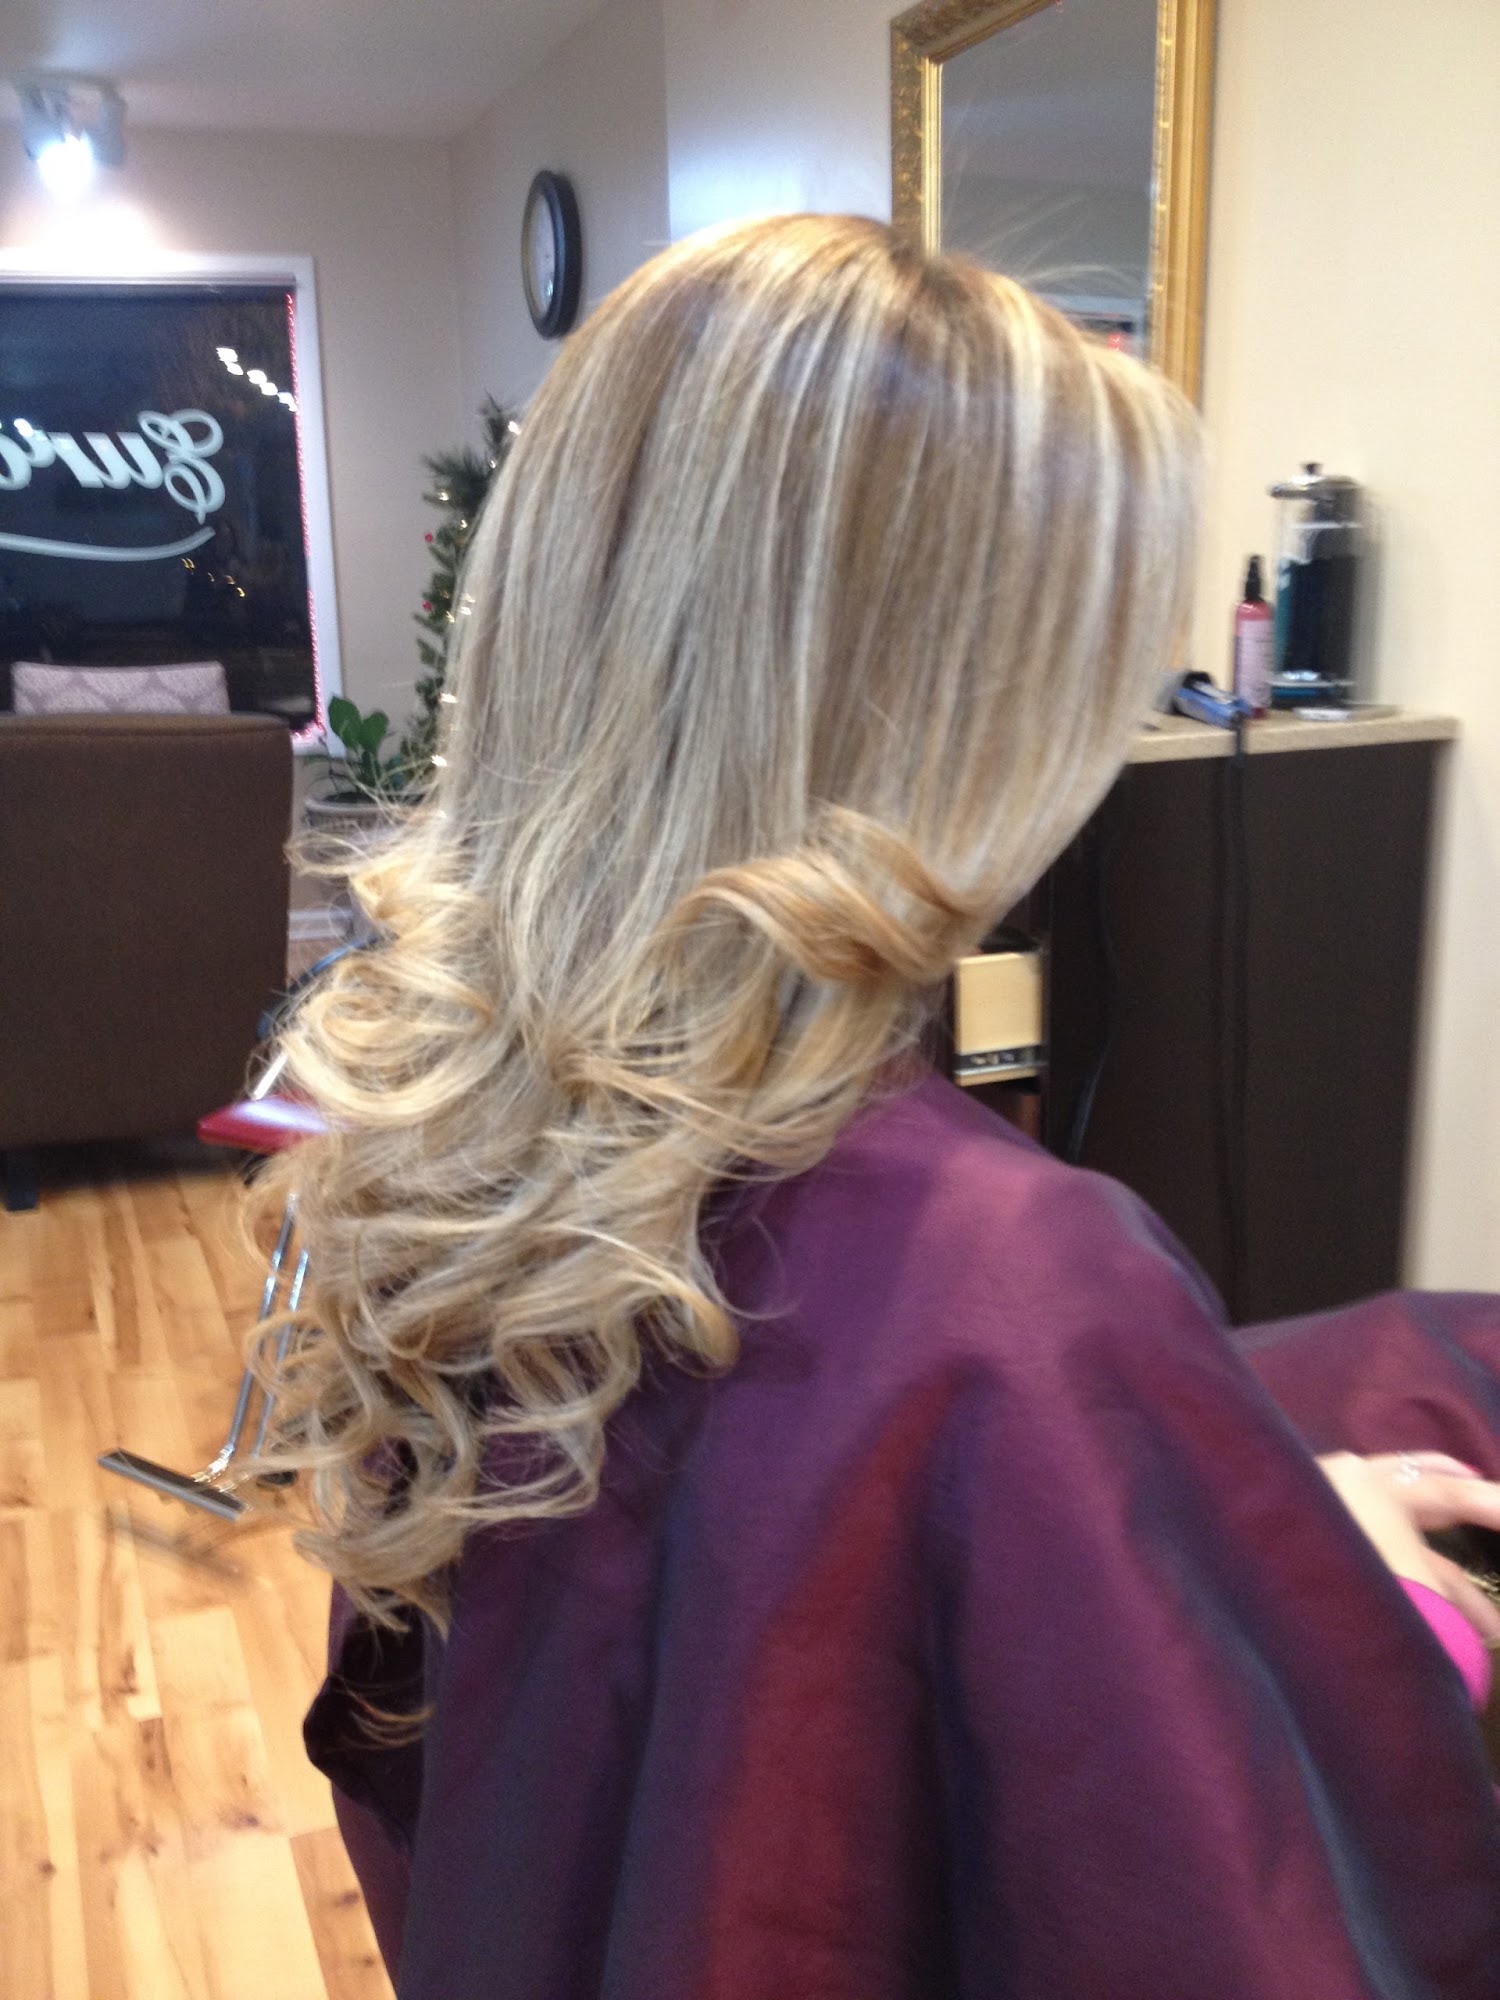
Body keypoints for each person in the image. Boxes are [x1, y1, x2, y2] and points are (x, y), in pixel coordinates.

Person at [264, 216, 1500, 1998]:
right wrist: (1383, 1613)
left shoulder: (468, 1152)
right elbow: (1227, 1908)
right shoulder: (1008, 1280)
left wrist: (1233, 1541)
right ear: (960, 711)